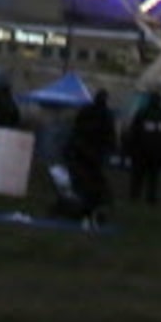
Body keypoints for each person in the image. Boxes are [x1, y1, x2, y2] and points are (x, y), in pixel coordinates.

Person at [63, 87, 117, 227]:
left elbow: (76, 129)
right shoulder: (106, 114)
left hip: (82, 151)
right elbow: (110, 135)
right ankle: (88, 207)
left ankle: (83, 207)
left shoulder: (86, 111)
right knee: (92, 182)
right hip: (94, 153)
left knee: (82, 181)